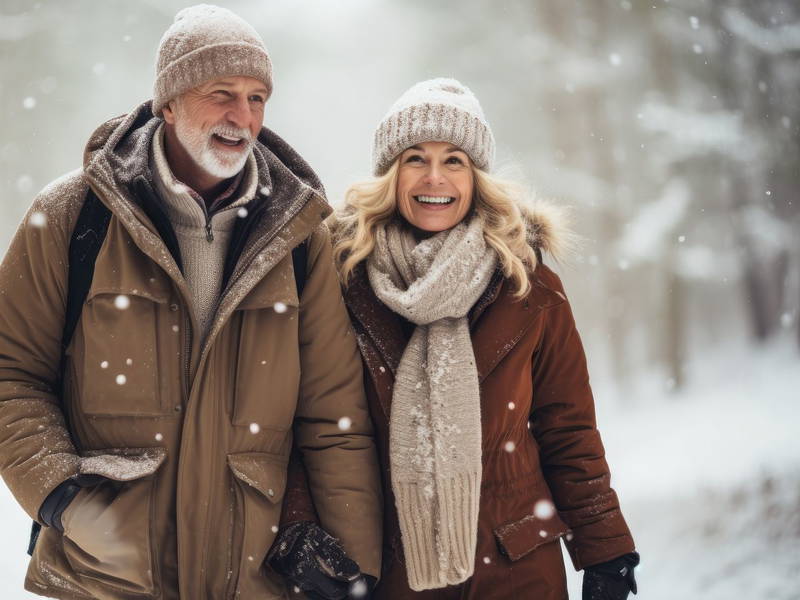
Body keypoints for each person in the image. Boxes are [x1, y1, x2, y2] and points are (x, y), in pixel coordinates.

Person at [0, 5, 381, 599]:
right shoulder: (74, 217)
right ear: (169, 103)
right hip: (106, 577)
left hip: (248, 576)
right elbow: (11, 372)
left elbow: (334, 419)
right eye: (221, 93)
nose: (242, 117)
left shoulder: (301, 235)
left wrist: (353, 567)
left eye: (257, 98)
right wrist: (60, 495)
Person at [285, 78, 640, 599]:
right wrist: (298, 527)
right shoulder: (341, 282)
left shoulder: (528, 283)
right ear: (390, 174)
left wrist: (605, 546)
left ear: (476, 177)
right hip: (393, 570)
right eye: (415, 158)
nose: (435, 177)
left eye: (454, 160)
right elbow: (303, 422)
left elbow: (568, 428)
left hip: (518, 568)